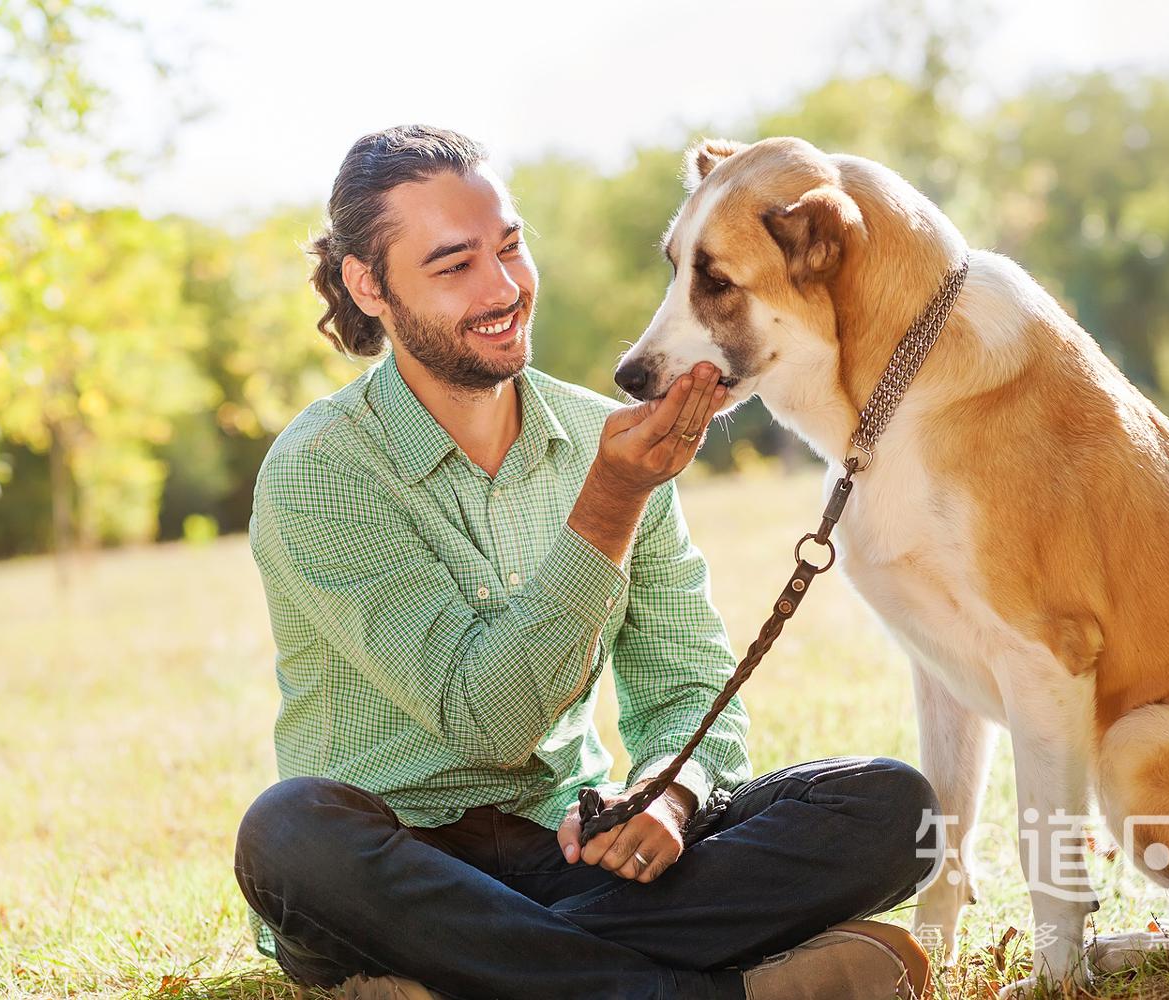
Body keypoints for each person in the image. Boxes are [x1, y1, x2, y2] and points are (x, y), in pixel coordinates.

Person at [234, 125, 942, 1000]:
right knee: (289, 833)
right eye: (453, 266)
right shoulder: (324, 471)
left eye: (510, 247)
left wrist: (666, 794)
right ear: (367, 285)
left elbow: (686, 682)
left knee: (895, 812)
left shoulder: (602, 437)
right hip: (396, 871)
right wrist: (607, 504)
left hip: (571, 856)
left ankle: (474, 979)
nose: (502, 289)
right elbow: (484, 722)